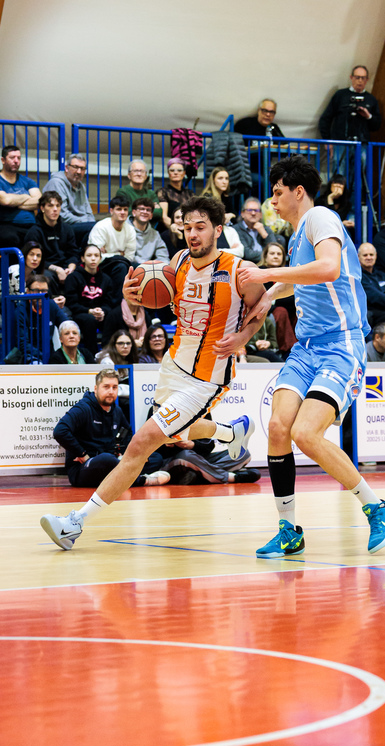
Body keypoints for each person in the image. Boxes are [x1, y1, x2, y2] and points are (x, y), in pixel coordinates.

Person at [40, 195, 266, 550]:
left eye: (200, 227)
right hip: (174, 364)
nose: (192, 234)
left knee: (141, 443)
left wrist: (242, 337)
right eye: (187, 227)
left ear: (218, 230)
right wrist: (133, 295)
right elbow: (154, 295)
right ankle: (231, 432)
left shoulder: (239, 269)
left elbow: (261, 307)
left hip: (207, 375)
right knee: (172, 437)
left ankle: (74, 523)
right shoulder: (177, 261)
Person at [237, 155, 385, 558]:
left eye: (278, 192)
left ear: (299, 191)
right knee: (278, 427)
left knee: (306, 434)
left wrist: (267, 274)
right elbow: (302, 281)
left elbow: (327, 268)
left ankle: (377, 507)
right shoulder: (296, 237)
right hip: (306, 349)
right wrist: (266, 300)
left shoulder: (320, 217)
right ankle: (289, 530)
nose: (272, 200)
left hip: (340, 346)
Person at [51, 368, 167, 489]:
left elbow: (127, 433)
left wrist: (126, 453)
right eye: (106, 387)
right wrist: (81, 453)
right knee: (106, 459)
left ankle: (121, 475)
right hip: (85, 468)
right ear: (96, 388)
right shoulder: (83, 408)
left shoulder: (117, 411)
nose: (111, 391)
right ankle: (142, 480)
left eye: (114, 387)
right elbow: (60, 431)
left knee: (155, 458)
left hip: (111, 462)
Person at [318, 66, 381, 179]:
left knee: (359, 177)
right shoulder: (340, 95)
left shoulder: (371, 99)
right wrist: (327, 141)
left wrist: (368, 116)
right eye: (357, 77)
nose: (360, 81)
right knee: (339, 175)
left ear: (367, 80)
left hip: (361, 144)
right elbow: (325, 119)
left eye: (363, 78)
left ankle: (355, 192)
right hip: (340, 143)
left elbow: (376, 126)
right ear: (351, 78)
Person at [0, 145, 41, 248]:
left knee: (43, 236)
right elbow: (6, 201)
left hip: (30, 226)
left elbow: (39, 202)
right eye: (12, 157)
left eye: (18, 158)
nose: (16, 161)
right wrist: (26, 196)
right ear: (3, 160)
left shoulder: (28, 181)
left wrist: (14, 203)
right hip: (5, 225)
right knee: (10, 238)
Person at [64, 244, 113, 353]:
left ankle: (108, 353)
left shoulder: (106, 279)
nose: (93, 258)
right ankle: (91, 354)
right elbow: (72, 304)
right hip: (80, 313)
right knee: (89, 320)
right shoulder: (73, 277)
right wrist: (89, 311)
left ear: (100, 258)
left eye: (96, 255)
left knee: (112, 316)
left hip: (99, 313)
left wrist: (103, 311)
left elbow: (108, 303)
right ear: (83, 258)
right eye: (89, 255)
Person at [24, 191, 79, 285]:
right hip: (46, 268)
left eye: (58, 206)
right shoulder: (34, 232)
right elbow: (34, 259)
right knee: (47, 277)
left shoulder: (67, 229)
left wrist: (71, 268)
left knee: (80, 275)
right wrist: (57, 269)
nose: (55, 209)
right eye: (50, 206)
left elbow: (73, 253)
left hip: (65, 267)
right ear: (42, 208)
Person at [87, 196, 137, 300]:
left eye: (125, 209)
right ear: (111, 211)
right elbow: (97, 257)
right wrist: (120, 254)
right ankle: (119, 303)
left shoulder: (131, 230)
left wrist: (108, 253)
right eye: (119, 209)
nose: (122, 212)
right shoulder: (101, 227)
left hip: (122, 263)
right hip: (100, 265)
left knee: (139, 269)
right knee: (121, 267)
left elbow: (129, 257)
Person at [43, 153, 96, 244]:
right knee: (94, 228)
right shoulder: (56, 183)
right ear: (67, 168)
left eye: (82, 168)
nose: (79, 171)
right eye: (75, 167)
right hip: (62, 226)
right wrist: (86, 223)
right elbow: (62, 215)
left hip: (80, 225)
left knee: (102, 227)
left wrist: (95, 224)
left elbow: (88, 211)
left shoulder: (81, 186)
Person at [13, 274, 67, 364]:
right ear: (28, 291)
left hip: (50, 355)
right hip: (29, 356)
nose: (41, 294)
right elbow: (22, 343)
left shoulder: (51, 305)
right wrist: (45, 356)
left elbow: (66, 325)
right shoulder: (21, 310)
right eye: (37, 291)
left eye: (44, 291)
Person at [258, 242, 296, 357]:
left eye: (279, 254)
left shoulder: (288, 272)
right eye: (272, 253)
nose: (276, 256)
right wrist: (282, 299)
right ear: (265, 256)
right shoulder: (260, 272)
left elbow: (294, 298)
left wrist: (277, 299)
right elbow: (263, 297)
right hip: (268, 311)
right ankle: (288, 351)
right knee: (281, 311)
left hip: (289, 310)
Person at [234, 197, 278, 263]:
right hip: (246, 265)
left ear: (260, 214)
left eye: (256, 210)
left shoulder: (266, 229)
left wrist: (265, 235)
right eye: (249, 210)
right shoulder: (236, 230)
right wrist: (269, 256)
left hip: (267, 265)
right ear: (242, 214)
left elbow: (276, 251)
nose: (253, 213)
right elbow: (247, 254)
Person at [157, 159, 194, 229]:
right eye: (172, 170)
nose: (176, 173)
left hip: (187, 230)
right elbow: (164, 217)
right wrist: (177, 229)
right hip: (169, 230)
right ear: (168, 173)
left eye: (179, 170)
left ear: (184, 173)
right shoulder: (162, 192)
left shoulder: (190, 194)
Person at [131, 198, 169, 264]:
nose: (145, 212)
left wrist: (157, 265)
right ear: (134, 212)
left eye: (148, 210)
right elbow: (127, 256)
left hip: (150, 267)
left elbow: (163, 256)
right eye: (141, 209)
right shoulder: (125, 229)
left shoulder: (155, 234)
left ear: (151, 215)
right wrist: (147, 265)